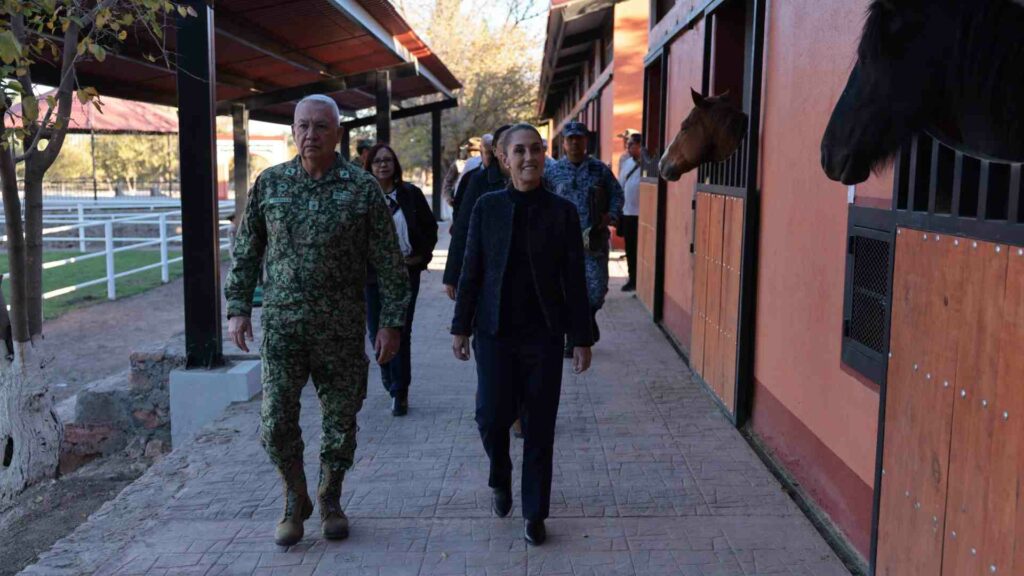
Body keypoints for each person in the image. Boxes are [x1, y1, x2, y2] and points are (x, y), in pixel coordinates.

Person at [225, 94, 409, 547]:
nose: (311, 135)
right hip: (285, 328)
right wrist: (238, 307)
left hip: (342, 329)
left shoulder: (362, 189)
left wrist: (391, 323)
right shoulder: (270, 185)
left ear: (338, 134)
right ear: (293, 131)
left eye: (321, 127)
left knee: (341, 420)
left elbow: (389, 263)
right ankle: (294, 495)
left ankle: (329, 497)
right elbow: (247, 249)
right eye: (303, 126)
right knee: (274, 422)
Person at [451, 123, 593, 546]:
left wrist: (581, 336)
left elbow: (574, 279)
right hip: (494, 333)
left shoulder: (562, 212)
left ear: (544, 155)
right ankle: (500, 475)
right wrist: (460, 326)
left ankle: (534, 512)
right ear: (502, 158)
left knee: (539, 425)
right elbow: (471, 268)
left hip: (545, 336)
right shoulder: (487, 207)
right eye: (519, 151)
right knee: (490, 417)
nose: (529, 157)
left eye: (536, 149)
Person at [363, 143, 438, 416]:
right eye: (377, 161)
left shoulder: (411, 194)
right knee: (375, 329)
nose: (383, 165)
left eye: (388, 160)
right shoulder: (364, 196)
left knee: (401, 331)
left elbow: (429, 228)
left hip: (407, 273)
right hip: (372, 276)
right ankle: (386, 372)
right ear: (369, 167)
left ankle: (400, 390)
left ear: (395, 165)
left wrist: (422, 258)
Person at [546, 121, 625, 357]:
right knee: (565, 290)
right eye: (570, 139)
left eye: (579, 138)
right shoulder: (553, 172)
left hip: (593, 241)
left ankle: (588, 318)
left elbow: (617, 195)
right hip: (562, 241)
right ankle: (573, 336)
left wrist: (610, 216)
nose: (574, 143)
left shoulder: (599, 170)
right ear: (564, 142)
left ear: (585, 141)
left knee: (597, 290)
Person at [443, 124, 511, 300]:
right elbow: (463, 226)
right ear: (495, 150)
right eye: (505, 142)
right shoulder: (477, 179)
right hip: (485, 267)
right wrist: (452, 274)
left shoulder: (535, 179)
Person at [618, 133, 644, 292]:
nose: (628, 147)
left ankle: (641, 279)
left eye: (631, 144)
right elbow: (621, 184)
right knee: (630, 249)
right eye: (628, 144)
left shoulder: (648, 164)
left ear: (640, 146)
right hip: (628, 213)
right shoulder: (627, 163)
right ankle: (632, 278)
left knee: (641, 249)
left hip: (643, 214)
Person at [451, 133, 492, 222]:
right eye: (471, 151)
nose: (474, 153)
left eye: (475, 151)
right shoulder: (467, 166)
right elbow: (453, 184)